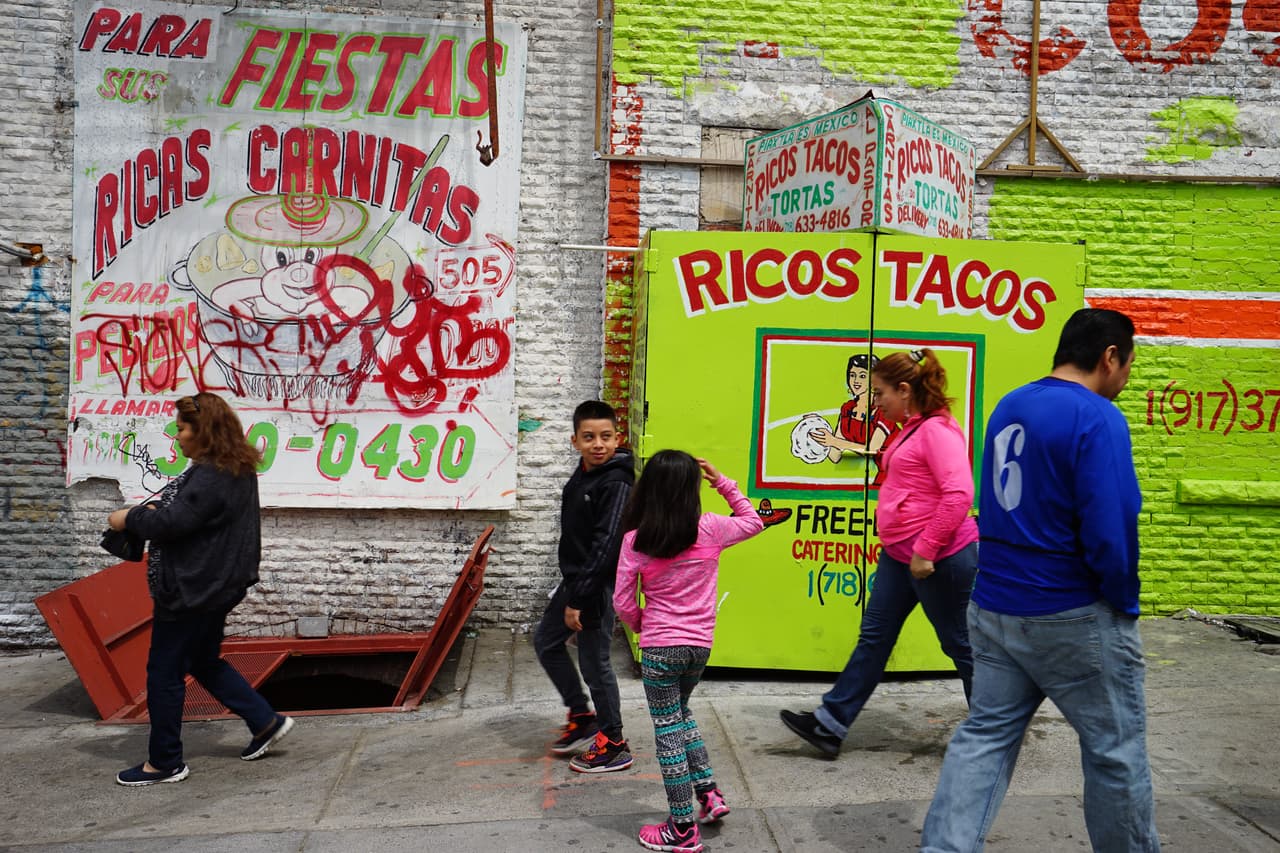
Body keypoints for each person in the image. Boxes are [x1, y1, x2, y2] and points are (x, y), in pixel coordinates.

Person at [921, 309, 1158, 852]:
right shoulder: (1097, 417)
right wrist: (1123, 603)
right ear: (1109, 357)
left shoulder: (1012, 405)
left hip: (995, 606)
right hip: (1071, 611)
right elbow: (1110, 528)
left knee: (985, 737)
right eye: (1127, 367)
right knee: (1114, 751)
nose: (1125, 381)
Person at [780, 348, 978, 757]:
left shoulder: (937, 431)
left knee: (959, 642)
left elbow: (959, 495)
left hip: (936, 559)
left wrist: (925, 551)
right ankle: (829, 724)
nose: (875, 400)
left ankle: (994, 727)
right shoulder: (910, 425)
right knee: (874, 637)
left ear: (905, 390)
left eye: (881, 392)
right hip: (899, 555)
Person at [109, 392, 293, 787]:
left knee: (163, 673)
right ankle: (264, 721)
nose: (177, 436)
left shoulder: (212, 475)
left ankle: (164, 762)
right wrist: (159, 514)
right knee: (203, 660)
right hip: (215, 585)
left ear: (203, 431)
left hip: (191, 589)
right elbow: (194, 519)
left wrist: (129, 517)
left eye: (182, 428)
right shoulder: (233, 468)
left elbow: (173, 526)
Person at [613, 450, 765, 853]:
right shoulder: (711, 528)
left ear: (649, 492)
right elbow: (754, 521)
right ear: (691, 491)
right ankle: (709, 794)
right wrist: (724, 482)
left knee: (667, 734)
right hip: (699, 647)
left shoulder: (636, 540)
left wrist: (643, 625)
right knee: (681, 716)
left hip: (662, 649)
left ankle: (681, 828)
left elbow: (623, 601)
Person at [535, 400, 636, 772]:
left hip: (596, 585)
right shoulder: (585, 472)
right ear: (574, 440)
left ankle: (614, 742)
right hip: (576, 580)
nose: (599, 444)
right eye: (589, 437)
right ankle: (583, 716)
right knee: (546, 642)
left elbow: (606, 546)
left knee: (596, 665)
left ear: (617, 438)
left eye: (606, 437)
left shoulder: (617, 482)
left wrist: (579, 598)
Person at [810, 353, 899, 486]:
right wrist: (816, 432)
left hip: (898, 472)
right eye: (852, 375)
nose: (856, 381)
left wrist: (834, 441)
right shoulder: (848, 409)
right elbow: (835, 456)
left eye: (862, 376)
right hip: (883, 472)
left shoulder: (883, 411)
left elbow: (872, 450)